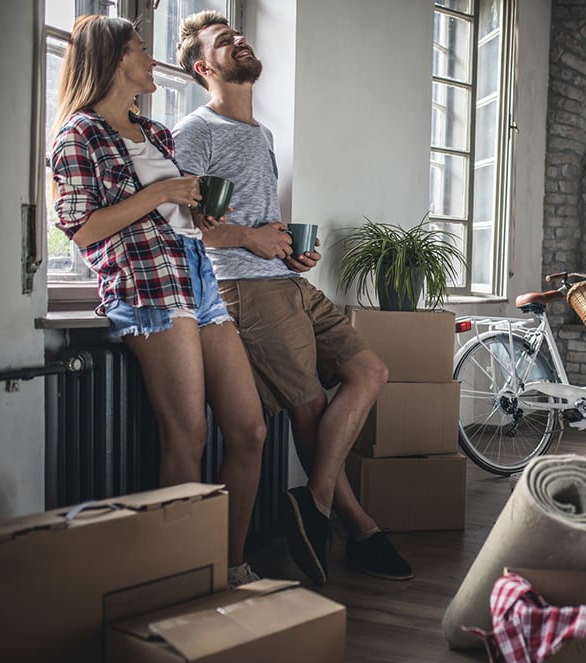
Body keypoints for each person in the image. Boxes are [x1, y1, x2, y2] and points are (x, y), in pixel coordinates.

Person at [173, 11, 412, 583]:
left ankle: (318, 501)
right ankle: (359, 529)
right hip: (242, 287)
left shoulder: (262, 133)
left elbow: (252, 220)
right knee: (308, 410)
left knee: (370, 371)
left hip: (285, 279)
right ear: (205, 67)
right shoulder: (194, 132)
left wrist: (287, 248)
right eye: (223, 41)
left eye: (238, 32)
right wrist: (252, 240)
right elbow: (179, 222)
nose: (239, 39)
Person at [50, 15, 267, 588]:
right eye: (142, 49)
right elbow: (80, 228)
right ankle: (181, 575)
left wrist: (195, 210)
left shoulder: (158, 134)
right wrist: (160, 193)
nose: (152, 60)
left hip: (196, 275)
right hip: (145, 286)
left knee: (249, 430)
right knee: (188, 437)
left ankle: (230, 564)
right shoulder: (79, 134)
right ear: (117, 58)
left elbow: (177, 215)